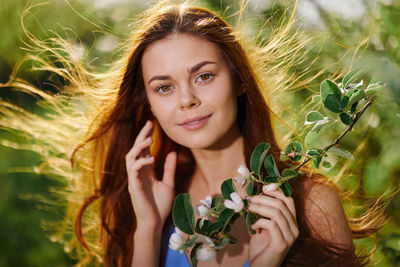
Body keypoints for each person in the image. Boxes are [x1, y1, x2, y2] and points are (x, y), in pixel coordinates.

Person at [1, 1, 386, 267]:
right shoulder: (150, 207)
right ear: (149, 102)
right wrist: (148, 229)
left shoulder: (311, 204)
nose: (186, 100)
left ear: (238, 80)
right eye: (164, 87)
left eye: (203, 76)